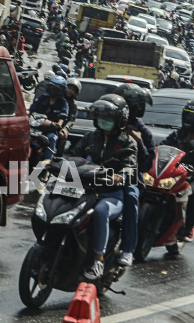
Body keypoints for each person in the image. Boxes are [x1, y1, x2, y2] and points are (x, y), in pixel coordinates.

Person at [70, 94, 138, 279]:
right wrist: (54, 162)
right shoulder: (90, 137)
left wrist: (120, 177)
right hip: (85, 191)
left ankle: (98, 260)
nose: (103, 121)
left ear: (120, 120)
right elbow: (72, 155)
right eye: (101, 117)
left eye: (108, 118)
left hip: (111, 195)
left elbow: (131, 168)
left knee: (101, 212)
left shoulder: (127, 141)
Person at [112, 84, 156, 267]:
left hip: (129, 178)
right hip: (100, 176)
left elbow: (146, 165)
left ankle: (128, 249)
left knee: (130, 197)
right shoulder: (109, 123)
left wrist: (139, 142)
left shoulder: (143, 132)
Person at [162, 98, 194, 242]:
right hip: (174, 171)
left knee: (193, 194)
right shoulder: (177, 134)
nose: (190, 118)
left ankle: (189, 226)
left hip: (192, 175)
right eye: (188, 114)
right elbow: (163, 145)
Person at [28, 75, 69, 160]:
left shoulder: (63, 102)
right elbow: (31, 109)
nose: (52, 88)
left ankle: (48, 161)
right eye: (51, 86)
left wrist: (58, 124)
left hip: (50, 129)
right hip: (36, 128)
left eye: (56, 88)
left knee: (52, 138)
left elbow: (63, 115)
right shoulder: (42, 98)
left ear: (61, 90)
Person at [58, 78, 81, 155]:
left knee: (62, 136)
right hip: (51, 122)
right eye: (69, 88)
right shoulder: (57, 97)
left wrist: (65, 129)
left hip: (62, 126)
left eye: (73, 90)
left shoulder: (73, 104)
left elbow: (71, 120)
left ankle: (58, 156)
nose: (70, 90)